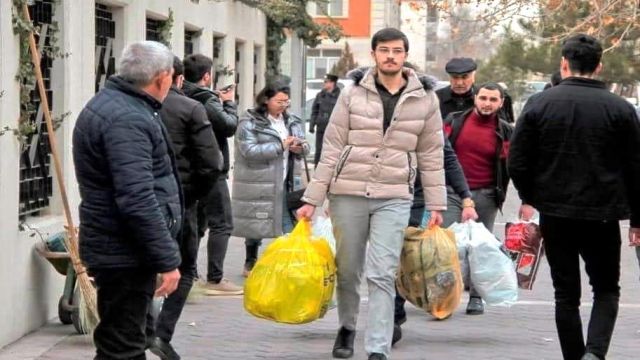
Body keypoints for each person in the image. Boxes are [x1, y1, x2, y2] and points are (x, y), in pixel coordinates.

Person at [297, 28, 446, 360]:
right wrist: (312, 198)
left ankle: (378, 347)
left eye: (396, 50)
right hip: (348, 192)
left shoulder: (426, 98)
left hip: (394, 195)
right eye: (383, 50)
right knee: (348, 270)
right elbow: (332, 147)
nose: (390, 56)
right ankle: (347, 326)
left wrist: (437, 203)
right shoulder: (352, 94)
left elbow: (432, 154)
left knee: (382, 272)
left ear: (406, 55)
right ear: (374, 55)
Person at [508, 34, 640, 360]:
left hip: (555, 213)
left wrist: (530, 196)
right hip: (604, 214)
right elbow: (636, 168)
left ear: (563, 63)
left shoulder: (540, 104)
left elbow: (517, 161)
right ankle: (594, 354)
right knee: (606, 289)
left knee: (565, 293)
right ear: (599, 66)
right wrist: (637, 219)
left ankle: (574, 355)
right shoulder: (621, 109)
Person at [346, 67, 479, 344]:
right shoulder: (363, 109)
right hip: (366, 192)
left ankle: (392, 316)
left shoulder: (422, 113)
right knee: (377, 261)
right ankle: (379, 316)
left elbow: (446, 158)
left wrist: (464, 196)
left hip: (410, 197)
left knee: (397, 256)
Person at [72, 41, 181, 360]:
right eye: (172, 78)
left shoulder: (122, 106)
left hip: (122, 247)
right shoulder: (127, 119)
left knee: (122, 342)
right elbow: (137, 197)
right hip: (123, 250)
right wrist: (167, 259)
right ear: (162, 78)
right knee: (123, 346)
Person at [149, 56, 222, 360]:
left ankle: (143, 328)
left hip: (139, 200)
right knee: (185, 269)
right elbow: (210, 164)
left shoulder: (131, 107)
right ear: (178, 79)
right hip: (181, 203)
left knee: (140, 268)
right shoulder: (192, 108)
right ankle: (161, 333)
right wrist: (193, 197)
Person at [442, 82, 526, 315]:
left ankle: (476, 297)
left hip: (486, 194)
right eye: (483, 98)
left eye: (493, 100)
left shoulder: (506, 131)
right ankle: (446, 297)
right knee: (448, 247)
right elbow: (435, 153)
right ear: (475, 98)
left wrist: (526, 199)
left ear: (501, 103)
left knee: (480, 248)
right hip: (452, 192)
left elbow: (515, 167)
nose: (487, 104)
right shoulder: (454, 121)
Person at [231, 83, 308, 276]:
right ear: (266, 100)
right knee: (256, 223)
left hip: (286, 178)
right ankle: (250, 261)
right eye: (279, 101)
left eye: (286, 101)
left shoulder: (292, 121)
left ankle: (287, 262)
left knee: (288, 222)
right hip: (259, 180)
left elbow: (305, 147)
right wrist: (280, 146)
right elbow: (248, 151)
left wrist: (299, 148)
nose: (283, 105)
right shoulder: (249, 122)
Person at [182, 54, 242, 295]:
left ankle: (190, 273)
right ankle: (215, 279)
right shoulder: (207, 99)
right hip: (211, 169)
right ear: (206, 76)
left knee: (197, 223)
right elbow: (228, 126)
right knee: (222, 223)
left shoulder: (181, 95)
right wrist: (228, 102)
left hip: (190, 169)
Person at [437, 57, 515, 123]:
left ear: (473, 77)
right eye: (455, 77)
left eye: (464, 77)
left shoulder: (488, 98)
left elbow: (505, 130)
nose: (459, 83)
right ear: (449, 78)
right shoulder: (436, 99)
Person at [309, 73, 341, 166]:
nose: (324, 84)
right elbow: (314, 111)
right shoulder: (320, 95)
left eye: (326, 82)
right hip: (321, 128)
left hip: (334, 128)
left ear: (332, 83)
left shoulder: (340, 96)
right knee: (319, 151)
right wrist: (312, 125)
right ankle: (317, 170)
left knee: (333, 151)